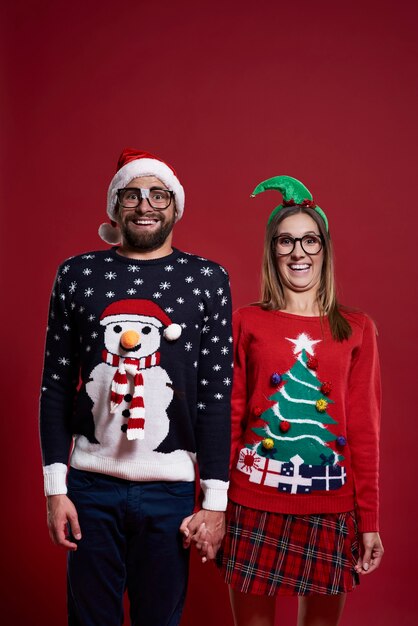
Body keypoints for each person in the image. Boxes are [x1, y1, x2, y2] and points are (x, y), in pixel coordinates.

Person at [39, 147, 232, 626]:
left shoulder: (208, 280)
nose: (145, 205)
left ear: (175, 205)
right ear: (115, 205)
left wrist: (214, 502)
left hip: (170, 490)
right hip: (90, 485)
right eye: (132, 194)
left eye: (158, 194)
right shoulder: (77, 274)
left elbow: (214, 398)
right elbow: (57, 387)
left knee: (159, 619)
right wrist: (55, 489)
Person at [217, 175, 384, 626]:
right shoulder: (246, 321)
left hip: (330, 506)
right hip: (252, 502)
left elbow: (365, 432)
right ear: (272, 251)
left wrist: (368, 520)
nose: (298, 252)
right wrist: (214, 502)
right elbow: (230, 417)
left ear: (324, 250)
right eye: (286, 241)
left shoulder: (356, 328)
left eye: (310, 240)